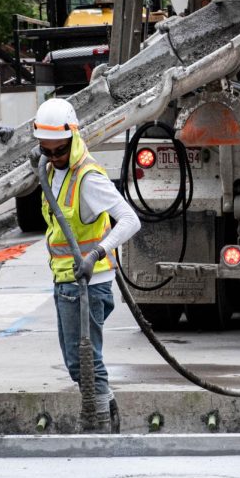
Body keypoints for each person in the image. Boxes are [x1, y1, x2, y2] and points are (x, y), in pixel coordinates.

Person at [33, 97, 140, 432]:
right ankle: (100, 413)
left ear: (74, 137)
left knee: (86, 359)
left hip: (88, 284)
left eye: (59, 151)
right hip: (65, 280)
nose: (53, 158)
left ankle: (102, 419)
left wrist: (96, 254)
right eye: (45, 151)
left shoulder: (88, 178)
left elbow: (129, 220)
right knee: (75, 360)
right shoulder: (51, 169)